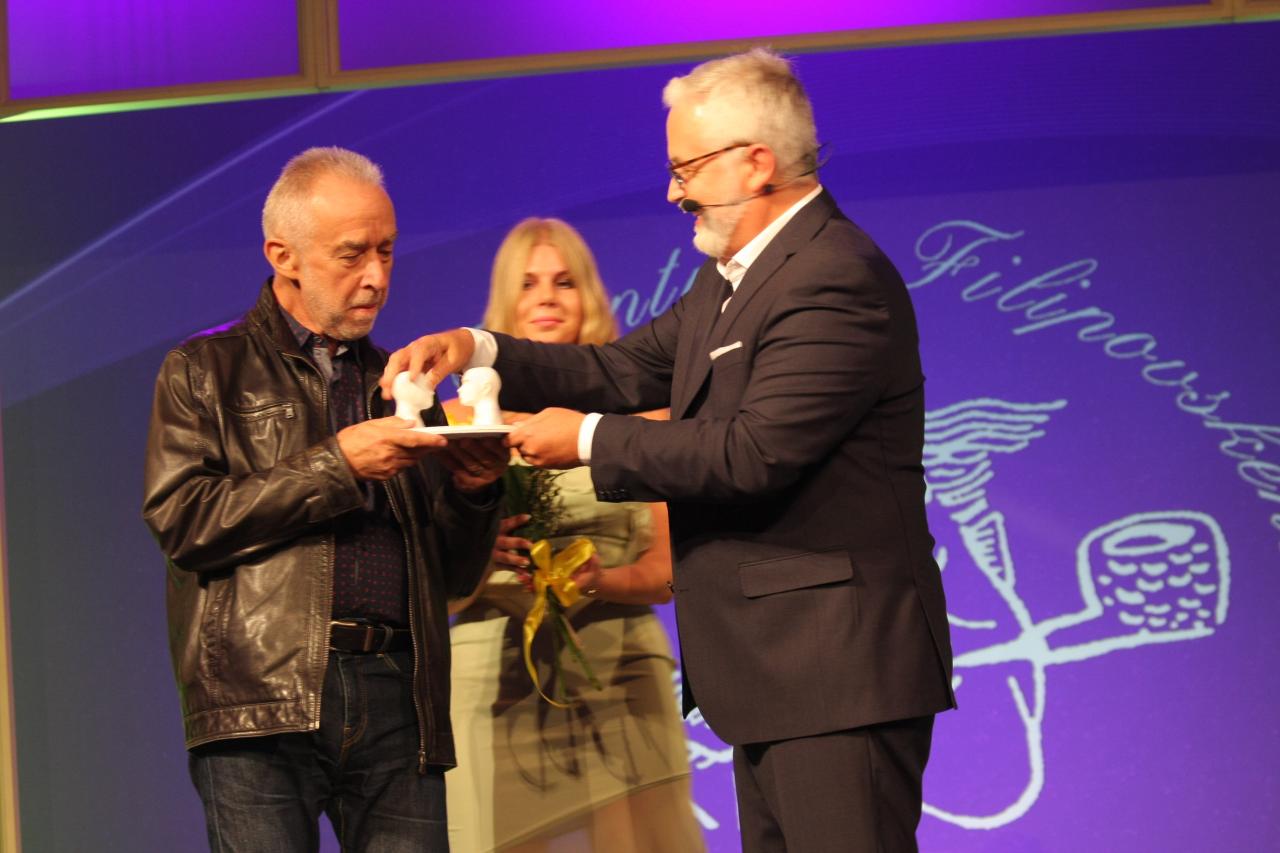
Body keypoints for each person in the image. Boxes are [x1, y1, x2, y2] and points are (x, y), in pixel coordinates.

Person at [383, 49, 956, 853]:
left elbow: (755, 451)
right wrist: (477, 348)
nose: (673, 191)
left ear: (756, 163)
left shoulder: (833, 275)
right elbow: (617, 369)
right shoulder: (732, 280)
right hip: (777, 676)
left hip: (835, 672)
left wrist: (584, 439)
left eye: (687, 169)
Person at [141, 146, 507, 852]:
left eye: (387, 251)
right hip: (261, 699)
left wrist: (474, 489)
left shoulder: (401, 385)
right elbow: (183, 521)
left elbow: (454, 579)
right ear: (283, 256)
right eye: (352, 254)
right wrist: (337, 465)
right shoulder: (204, 369)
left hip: (400, 695)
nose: (377, 276)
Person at [443, 217, 704, 852]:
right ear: (504, 302)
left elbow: (669, 571)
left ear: (589, 295)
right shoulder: (452, 423)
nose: (548, 298)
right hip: (491, 677)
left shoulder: (643, 417)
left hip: (621, 673)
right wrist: (474, 550)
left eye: (565, 282)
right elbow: (423, 581)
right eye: (528, 283)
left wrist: (599, 580)